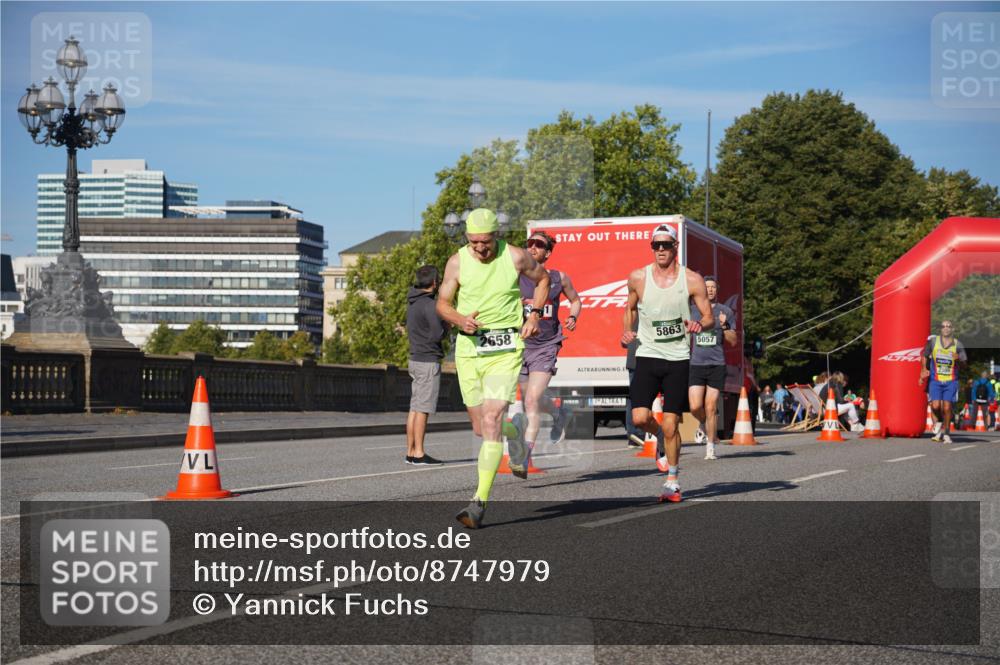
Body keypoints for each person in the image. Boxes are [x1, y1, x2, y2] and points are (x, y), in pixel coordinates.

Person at [436, 208, 549, 529]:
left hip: (505, 348)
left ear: (495, 237)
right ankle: (514, 436)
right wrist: (460, 319)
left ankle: (478, 503)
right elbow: (442, 303)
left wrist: (534, 314)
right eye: (473, 243)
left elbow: (543, 280)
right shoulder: (457, 261)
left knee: (490, 417)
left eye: (485, 242)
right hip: (470, 350)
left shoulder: (515, 257)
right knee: (480, 427)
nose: (479, 249)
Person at [621, 224, 713, 503]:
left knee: (673, 424)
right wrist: (627, 331)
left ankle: (672, 480)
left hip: (678, 358)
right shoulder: (638, 277)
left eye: (665, 245)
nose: (660, 250)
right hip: (648, 353)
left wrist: (699, 324)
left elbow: (708, 316)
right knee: (639, 418)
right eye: (655, 245)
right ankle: (658, 434)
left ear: (675, 247)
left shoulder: (692, 279)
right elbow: (630, 308)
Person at [515, 230, 583, 471]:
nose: (532, 247)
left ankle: (525, 455)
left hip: (546, 345)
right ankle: (559, 411)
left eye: (538, 245)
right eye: (529, 244)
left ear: (548, 252)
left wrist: (573, 316)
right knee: (529, 400)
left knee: (532, 400)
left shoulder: (558, 277)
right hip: (520, 346)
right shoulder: (515, 275)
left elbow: (576, 299)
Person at [687, 275, 736, 460]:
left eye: (713, 287)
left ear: (717, 290)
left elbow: (733, 340)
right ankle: (702, 423)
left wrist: (724, 326)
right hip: (696, 364)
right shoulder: (692, 310)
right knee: (695, 406)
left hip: (716, 364)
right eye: (707, 287)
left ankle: (710, 447)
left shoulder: (725, 311)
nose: (710, 290)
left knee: (710, 405)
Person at [405, 265, 448, 465]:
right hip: (428, 360)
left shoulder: (413, 302)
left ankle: (411, 451)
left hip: (415, 359)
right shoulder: (430, 304)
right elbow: (437, 333)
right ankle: (420, 453)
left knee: (414, 408)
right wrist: (447, 324)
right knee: (423, 409)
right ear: (434, 283)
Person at [920, 320, 967, 444]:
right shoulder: (933, 342)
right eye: (943, 326)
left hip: (951, 381)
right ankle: (940, 422)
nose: (946, 328)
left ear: (952, 329)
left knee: (947, 408)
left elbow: (964, 365)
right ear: (940, 329)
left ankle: (946, 432)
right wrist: (924, 368)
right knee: (935, 406)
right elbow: (924, 355)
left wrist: (959, 360)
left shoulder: (958, 344)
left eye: (949, 326)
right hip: (936, 380)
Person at [623, 318, 644, 447]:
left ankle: (634, 435)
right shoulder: (638, 312)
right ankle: (637, 433)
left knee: (634, 397)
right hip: (638, 360)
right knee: (637, 397)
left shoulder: (631, 313)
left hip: (636, 360)